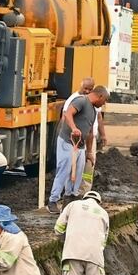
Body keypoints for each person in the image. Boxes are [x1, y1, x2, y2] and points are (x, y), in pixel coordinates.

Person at [48, 85, 109, 213]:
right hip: (68, 141)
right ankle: (53, 201)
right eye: (104, 101)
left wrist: (89, 152)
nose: (104, 104)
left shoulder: (93, 111)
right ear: (100, 96)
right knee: (64, 170)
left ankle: (70, 199)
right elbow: (68, 114)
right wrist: (74, 128)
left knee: (77, 174)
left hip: (81, 146)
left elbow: (91, 133)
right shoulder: (81, 101)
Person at [63, 78, 108, 195]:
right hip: (76, 140)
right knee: (74, 166)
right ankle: (71, 191)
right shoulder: (74, 100)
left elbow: (98, 118)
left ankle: (84, 191)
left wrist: (103, 134)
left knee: (88, 167)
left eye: (90, 89)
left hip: (90, 139)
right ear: (81, 86)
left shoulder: (94, 103)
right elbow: (66, 116)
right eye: (85, 88)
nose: (87, 91)